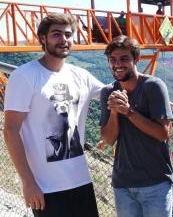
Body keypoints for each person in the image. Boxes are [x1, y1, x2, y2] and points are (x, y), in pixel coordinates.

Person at [3, 13, 103, 216]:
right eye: (56, 34)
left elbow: (112, 92)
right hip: (46, 187)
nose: (64, 39)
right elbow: (10, 130)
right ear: (43, 39)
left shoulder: (80, 75)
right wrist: (28, 182)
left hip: (81, 181)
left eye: (68, 34)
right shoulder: (24, 75)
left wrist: (149, 92)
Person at [100, 35, 173, 217]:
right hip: (123, 184)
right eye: (113, 60)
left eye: (124, 58)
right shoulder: (108, 92)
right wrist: (115, 112)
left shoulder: (153, 87)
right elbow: (108, 140)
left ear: (137, 59)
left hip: (155, 183)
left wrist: (128, 111)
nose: (117, 64)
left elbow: (162, 134)